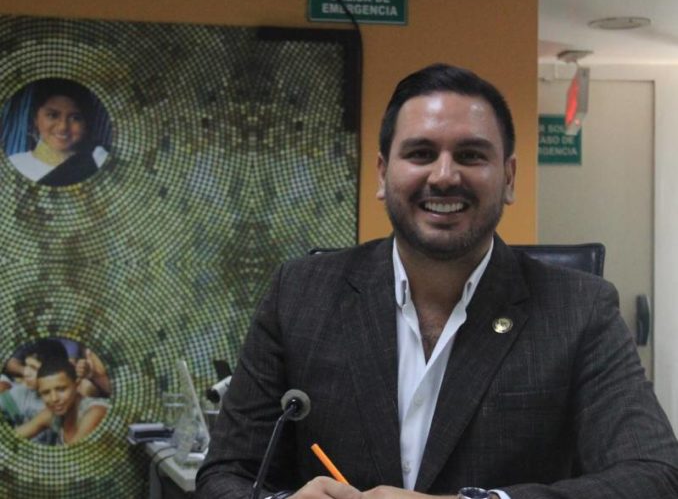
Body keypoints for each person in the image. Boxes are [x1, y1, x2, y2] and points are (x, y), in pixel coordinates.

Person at [196, 64, 678, 498]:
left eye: (470, 155)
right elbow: (225, 475)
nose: (444, 176)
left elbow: (654, 475)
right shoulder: (300, 294)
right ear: (383, 174)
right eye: (421, 153)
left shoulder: (579, 309)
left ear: (509, 178)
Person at [7, 78, 108, 186]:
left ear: (86, 123)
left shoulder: (99, 161)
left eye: (75, 118)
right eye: (53, 115)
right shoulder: (13, 164)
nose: (63, 127)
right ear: (35, 119)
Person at [15, 357, 108, 445]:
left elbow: (73, 453)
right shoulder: (51, 414)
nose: (54, 398)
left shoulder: (96, 412)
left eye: (61, 389)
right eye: (46, 393)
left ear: (77, 386)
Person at [0, 339, 69, 444]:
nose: (26, 373)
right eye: (26, 365)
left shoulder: (64, 403)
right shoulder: (22, 392)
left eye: (33, 368)